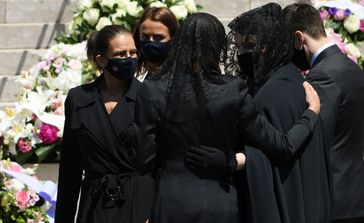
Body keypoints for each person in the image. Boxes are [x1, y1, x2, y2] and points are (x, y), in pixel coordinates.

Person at [135, 12, 321, 223]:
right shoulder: (233, 90)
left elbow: (144, 160)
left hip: (172, 201)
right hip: (221, 202)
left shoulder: (151, 90)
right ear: (218, 47)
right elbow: (282, 146)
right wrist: (311, 115)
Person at [225, 3, 330, 223]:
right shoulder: (289, 77)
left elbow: (280, 153)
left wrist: (241, 160)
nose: (241, 54)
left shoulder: (273, 92)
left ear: (266, 45)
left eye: (246, 46)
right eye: (239, 46)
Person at [55, 25, 155, 223]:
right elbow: (70, 167)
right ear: (101, 59)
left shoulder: (150, 95)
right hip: (95, 203)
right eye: (120, 54)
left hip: (139, 203)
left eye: (133, 52)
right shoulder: (79, 98)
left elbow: (162, 161)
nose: (130, 58)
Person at [283, 4, 364, 223]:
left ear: (298, 38)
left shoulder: (322, 76)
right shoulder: (351, 68)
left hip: (334, 199)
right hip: (354, 195)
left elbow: (315, 138)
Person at [133, 7, 179, 81]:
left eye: (158, 38)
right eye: (145, 37)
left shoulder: (179, 80)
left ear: (173, 39)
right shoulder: (133, 75)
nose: (151, 41)